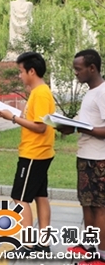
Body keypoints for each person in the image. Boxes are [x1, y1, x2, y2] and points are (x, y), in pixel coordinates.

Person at [0, 51, 55, 254]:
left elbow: (40, 127)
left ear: (32, 71)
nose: (19, 75)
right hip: (41, 152)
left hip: (33, 153)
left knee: (20, 198)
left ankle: (28, 244)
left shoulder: (40, 93)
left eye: (21, 71)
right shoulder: (39, 91)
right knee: (40, 195)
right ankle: (44, 243)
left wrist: (12, 118)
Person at [57, 49, 105, 264]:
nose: (75, 73)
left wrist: (81, 128)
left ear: (92, 68)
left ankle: (102, 255)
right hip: (85, 156)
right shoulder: (90, 93)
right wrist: (68, 127)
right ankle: (88, 246)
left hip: (99, 159)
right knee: (86, 203)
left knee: (99, 207)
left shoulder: (103, 92)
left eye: (78, 69)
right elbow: (86, 124)